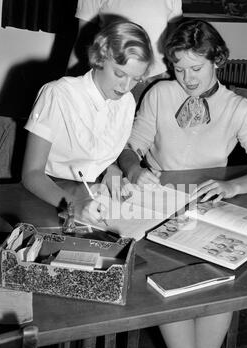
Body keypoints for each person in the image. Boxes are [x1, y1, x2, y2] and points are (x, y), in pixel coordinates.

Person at [118, 19, 247, 348]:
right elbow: (131, 145)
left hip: (209, 214)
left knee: (225, 284)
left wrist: (233, 187)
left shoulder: (236, 107)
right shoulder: (159, 94)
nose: (188, 78)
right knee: (163, 284)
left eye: (197, 68)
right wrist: (133, 168)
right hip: (157, 209)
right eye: (179, 68)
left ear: (218, 60)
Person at [22, 20, 154, 224]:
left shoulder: (126, 101)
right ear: (99, 58)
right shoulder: (58, 94)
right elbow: (31, 174)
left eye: (136, 79)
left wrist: (112, 169)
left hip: (91, 194)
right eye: (120, 73)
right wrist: (72, 206)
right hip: (47, 196)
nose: (126, 86)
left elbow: (100, 148)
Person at [68, 0, 183, 102]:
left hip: (158, 78)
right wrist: (71, 84)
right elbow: (82, 39)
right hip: (112, 79)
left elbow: (174, 43)